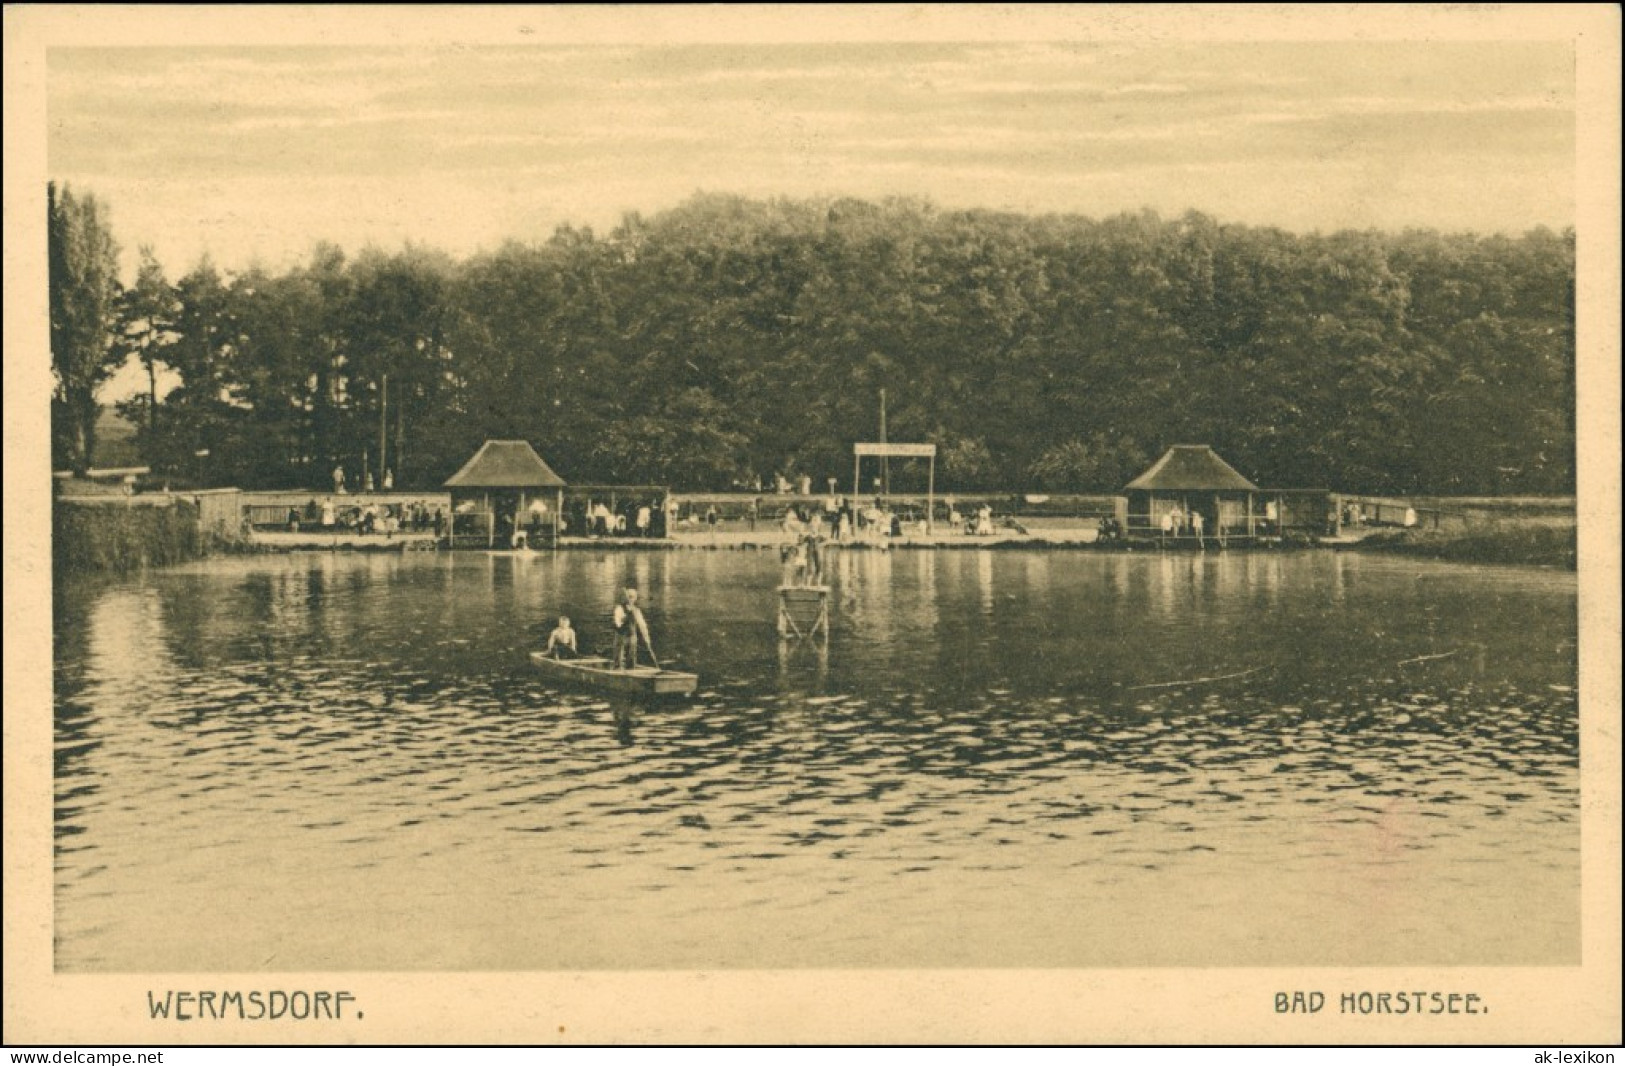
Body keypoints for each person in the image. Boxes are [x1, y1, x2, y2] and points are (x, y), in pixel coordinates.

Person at [611, 588, 654, 670]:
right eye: (629, 597)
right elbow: (617, 623)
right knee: (618, 658)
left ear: (635, 598)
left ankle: (631, 671)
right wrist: (627, 616)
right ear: (626, 598)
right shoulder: (619, 608)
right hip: (621, 635)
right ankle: (617, 671)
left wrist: (647, 639)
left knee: (631, 657)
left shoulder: (637, 610)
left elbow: (643, 626)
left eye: (633, 597)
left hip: (632, 636)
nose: (631, 599)